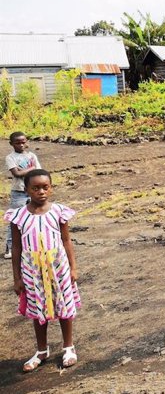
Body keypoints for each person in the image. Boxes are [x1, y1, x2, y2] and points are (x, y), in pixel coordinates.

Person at [7, 169, 80, 371]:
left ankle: (68, 347)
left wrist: (73, 268)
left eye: (45, 187)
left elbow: (66, 241)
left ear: (51, 188)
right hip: (32, 270)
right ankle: (41, 350)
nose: (41, 192)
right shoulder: (18, 216)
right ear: (26, 189)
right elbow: (16, 247)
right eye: (36, 188)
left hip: (58, 267)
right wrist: (17, 278)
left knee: (64, 305)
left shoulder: (58, 212)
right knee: (38, 308)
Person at [4, 132, 41, 259]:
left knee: (35, 217)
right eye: (18, 143)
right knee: (15, 219)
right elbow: (16, 174)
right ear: (11, 144)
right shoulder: (10, 157)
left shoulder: (32, 156)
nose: (21, 145)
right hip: (18, 192)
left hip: (32, 191)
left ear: (27, 141)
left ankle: (33, 244)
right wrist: (30, 169)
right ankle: (10, 247)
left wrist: (25, 171)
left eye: (23, 142)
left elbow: (39, 172)